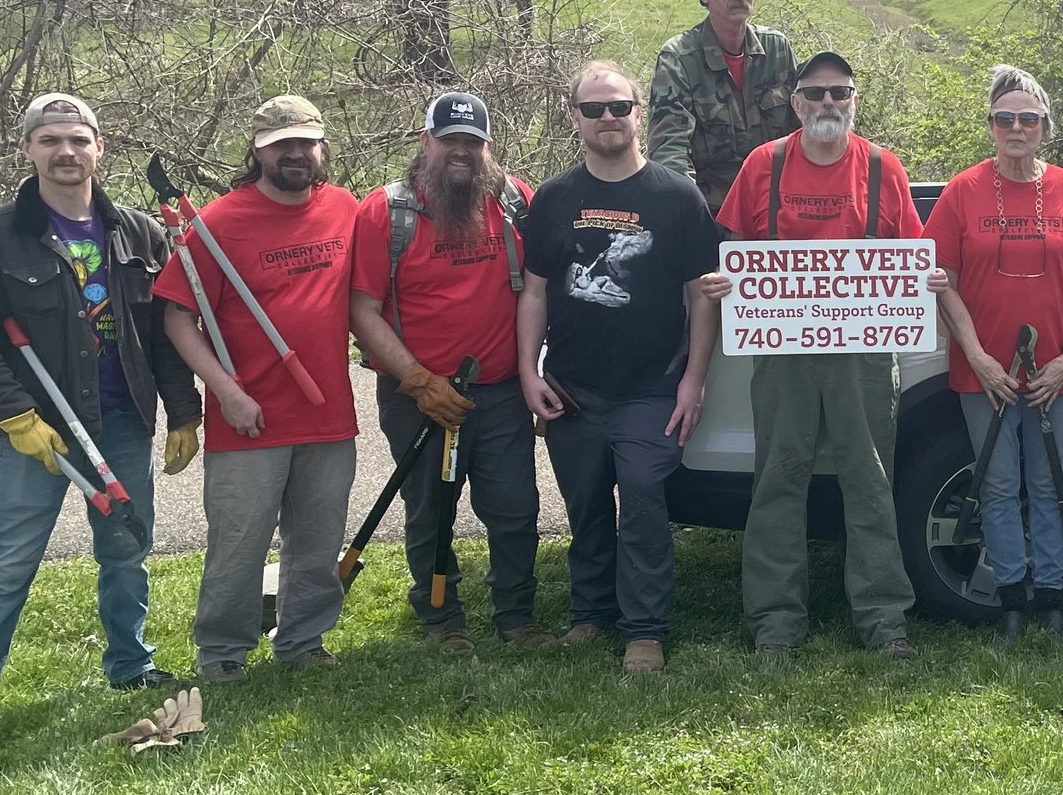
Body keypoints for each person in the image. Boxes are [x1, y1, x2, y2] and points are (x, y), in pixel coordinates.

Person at [0, 93, 203, 740]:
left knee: (127, 551)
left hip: (123, 419)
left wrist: (184, 409)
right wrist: (13, 413)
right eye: (50, 140)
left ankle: (131, 664)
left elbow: (163, 334)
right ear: (28, 149)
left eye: (78, 140)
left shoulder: (138, 231)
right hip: (40, 431)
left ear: (99, 148)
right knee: (8, 565)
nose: (65, 152)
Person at [710, 49, 924, 658]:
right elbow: (736, 252)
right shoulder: (763, 165)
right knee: (778, 480)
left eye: (841, 92)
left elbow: (909, 255)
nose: (829, 102)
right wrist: (726, 282)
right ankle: (775, 623)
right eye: (817, 92)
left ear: (855, 102)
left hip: (864, 354)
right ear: (796, 102)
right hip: (784, 355)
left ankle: (885, 622)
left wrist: (923, 280)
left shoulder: (885, 167)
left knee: (870, 481)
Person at [519, 62, 725, 674]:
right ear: (576, 118)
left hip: (653, 388)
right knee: (584, 505)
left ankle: (645, 630)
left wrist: (694, 379)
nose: (608, 118)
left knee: (640, 500)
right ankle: (590, 615)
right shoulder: (555, 198)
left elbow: (701, 296)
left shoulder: (676, 196)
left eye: (619, 107)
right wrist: (529, 371)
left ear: (638, 112)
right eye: (594, 109)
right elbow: (533, 292)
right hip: (573, 387)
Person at [156, 96, 361, 681]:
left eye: (305, 143)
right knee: (239, 546)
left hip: (328, 415)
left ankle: (303, 642)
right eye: (281, 145)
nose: (295, 154)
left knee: (318, 543)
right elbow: (177, 316)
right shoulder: (220, 224)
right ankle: (222, 651)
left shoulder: (345, 209)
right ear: (258, 150)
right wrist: (224, 390)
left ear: (322, 146)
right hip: (250, 417)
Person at [348, 91, 544, 655]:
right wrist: (417, 381)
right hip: (418, 396)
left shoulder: (514, 202)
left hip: (502, 393)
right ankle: (441, 618)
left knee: (515, 508)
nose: (461, 151)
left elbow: (539, 292)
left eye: (473, 142)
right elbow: (361, 309)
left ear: (488, 148)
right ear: (426, 141)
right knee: (431, 508)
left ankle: (516, 615)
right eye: (450, 140)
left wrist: (537, 372)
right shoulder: (386, 212)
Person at [928, 66, 1063, 645]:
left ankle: (1052, 597)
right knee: (1000, 484)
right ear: (990, 126)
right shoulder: (962, 191)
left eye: (1027, 119)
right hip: (982, 372)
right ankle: (1011, 598)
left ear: (1044, 129)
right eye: (1005, 118)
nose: (1016, 127)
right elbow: (943, 282)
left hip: (1053, 371)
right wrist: (978, 357)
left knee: (1049, 481)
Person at [647, 0, 798, 210]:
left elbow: (802, 130)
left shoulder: (776, 49)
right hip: (710, 207)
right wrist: (686, 209)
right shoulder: (679, 57)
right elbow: (670, 150)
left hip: (777, 203)